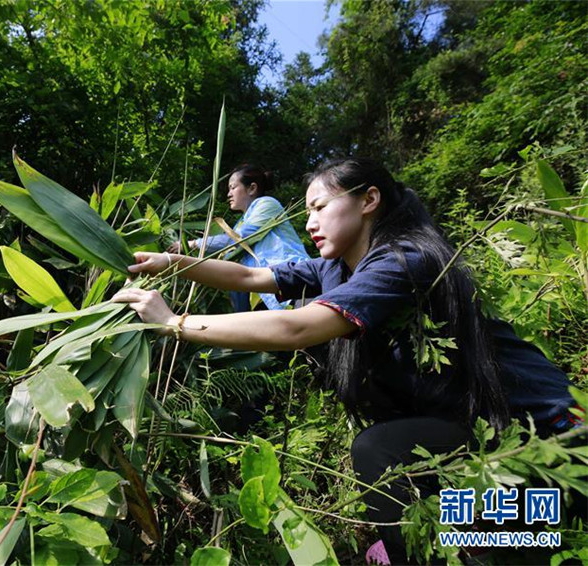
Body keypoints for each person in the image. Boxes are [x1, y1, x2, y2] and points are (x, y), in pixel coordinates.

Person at [114, 158, 579, 564]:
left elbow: (296, 329)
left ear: (369, 199)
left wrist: (175, 322)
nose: (310, 221)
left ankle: (480, 540)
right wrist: (168, 263)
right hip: (484, 433)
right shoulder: (334, 269)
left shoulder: (405, 260)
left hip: (552, 436)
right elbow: (250, 273)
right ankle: (469, 539)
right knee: (445, 503)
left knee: (384, 453)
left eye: (319, 207)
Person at [169, 163, 310, 311]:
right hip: (269, 293)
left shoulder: (267, 204)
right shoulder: (242, 222)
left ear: (252, 188)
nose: (229, 194)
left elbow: (236, 240)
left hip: (293, 280)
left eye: (233, 187)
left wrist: (192, 244)